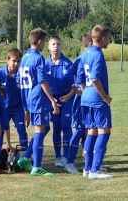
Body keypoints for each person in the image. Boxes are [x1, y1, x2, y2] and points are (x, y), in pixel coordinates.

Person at [16, 28, 60, 176]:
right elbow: (42, 81)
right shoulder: (39, 58)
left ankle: (26, 157)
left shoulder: (24, 58)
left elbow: (19, 81)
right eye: (44, 42)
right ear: (40, 41)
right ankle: (37, 167)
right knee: (40, 131)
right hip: (38, 100)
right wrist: (52, 100)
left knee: (45, 128)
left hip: (28, 98)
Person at [77, 25, 113, 179]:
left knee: (91, 131)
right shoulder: (98, 55)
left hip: (86, 98)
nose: (110, 41)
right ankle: (95, 170)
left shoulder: (85, 53)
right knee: (104, 131)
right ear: (103, 38)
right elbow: (95, 78)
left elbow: (79, 76)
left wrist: (86, 91)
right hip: (97, 99)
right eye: (109, 38)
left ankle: (87, 169)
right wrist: (104, 96)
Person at [46, 35, 76, 167]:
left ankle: (66, 156)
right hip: (53, 100)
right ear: (49, 47)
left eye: (58, 44)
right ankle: (58, 156)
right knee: (56, 127)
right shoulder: (45, 64)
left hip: (67, 99)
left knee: (66, 126)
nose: (56, 47)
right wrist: (51, 99)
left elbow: (76, 85)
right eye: (53, 44)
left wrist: (69, 96)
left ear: (61, 46)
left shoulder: (68, 64)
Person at [65, 32, 92, 174]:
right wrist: (74, 90)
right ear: (88, 45)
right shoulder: (80, 60)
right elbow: (69, 76)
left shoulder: (94, 58)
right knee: (80, 130)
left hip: (92, 100)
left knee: (91, 131)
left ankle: (91, 164)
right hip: (81, 101)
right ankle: (69, 162)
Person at [0, 48, 28, 148]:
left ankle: (24, 153)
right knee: (0, 130)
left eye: (18, 61)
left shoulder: (22, 73)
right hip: (3, 109)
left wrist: (26, 109)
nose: (16, 64)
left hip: (18, 108)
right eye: (13, 61)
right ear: (7, 60)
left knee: (21, 129)